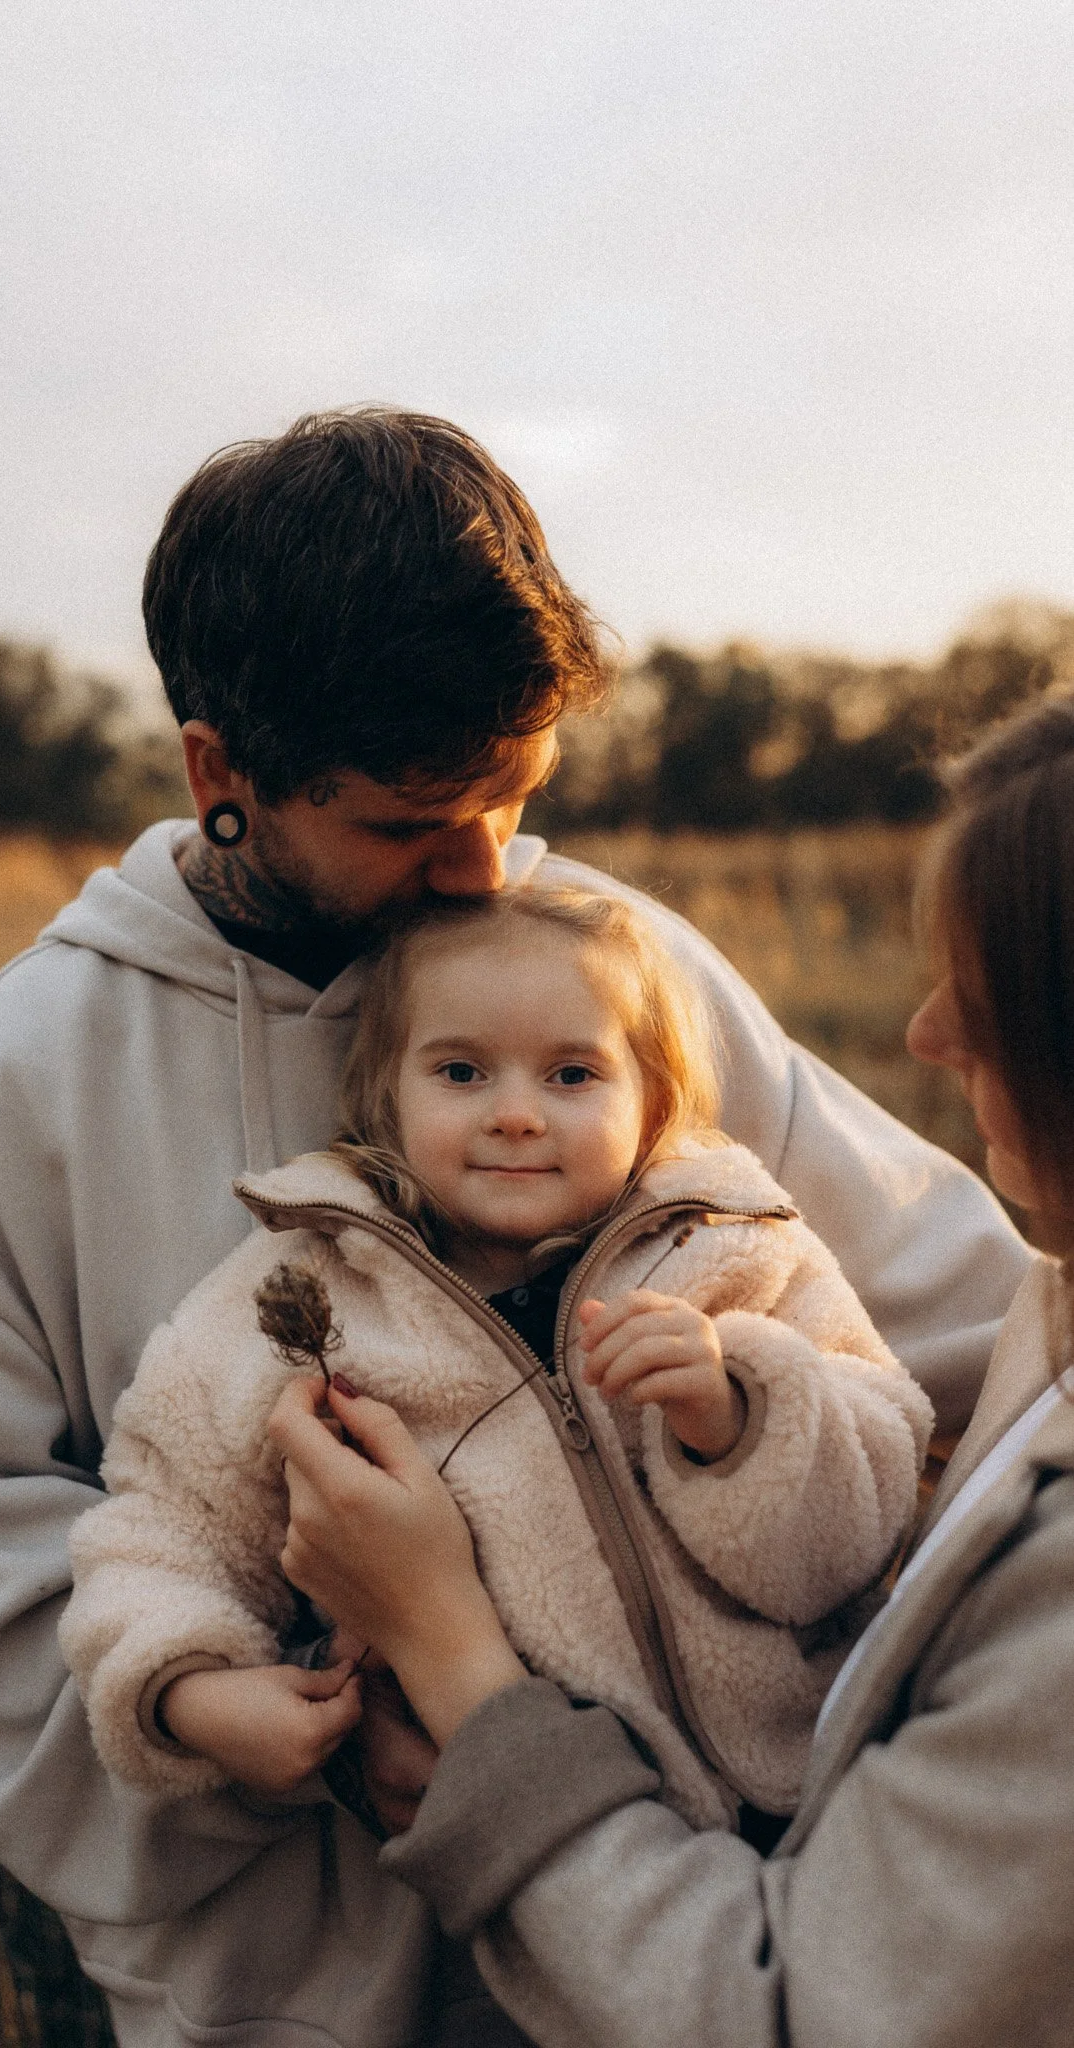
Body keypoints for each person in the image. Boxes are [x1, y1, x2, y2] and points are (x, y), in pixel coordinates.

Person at [0, 407, 1032, 2048]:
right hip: (295, 1988)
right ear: (220, 775)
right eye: (406, 820)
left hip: (693, 1938)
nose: (480, 873)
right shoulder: (26, 1078)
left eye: (512, 796)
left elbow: (966, 1331)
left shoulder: (613, 973)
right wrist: (291, 1748)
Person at [269, 690, 1074, 2048]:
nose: (928, 1033)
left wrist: (456, 1666)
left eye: (989, 1000)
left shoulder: (740, 1243)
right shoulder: (1047, 1312)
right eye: (458, 1069)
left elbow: (785, 2016)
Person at [61, 886, 931, 1843]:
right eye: (463, 1072)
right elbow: (159, 1525)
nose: (516, 1115)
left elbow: (870, 1514)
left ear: (652, 1099)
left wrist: (735, 1415)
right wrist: (189, 1693)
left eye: (570, 1076)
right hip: (539, 1843)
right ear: (382, 1093)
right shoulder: (302, 1299)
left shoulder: (733, 1250)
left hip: (839, 1785)